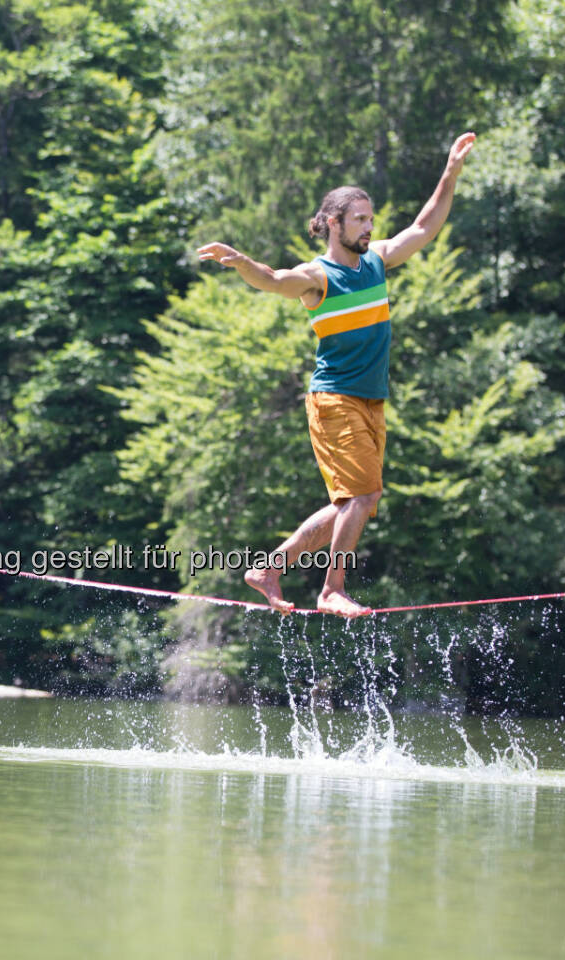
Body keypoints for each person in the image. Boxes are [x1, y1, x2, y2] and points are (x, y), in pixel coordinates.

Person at [197, 132, 476, 617]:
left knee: (357, 501)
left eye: (371, 219)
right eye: (360, 219)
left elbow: (425, 227)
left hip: (371, 400)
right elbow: (273, 279)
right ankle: (331, 589)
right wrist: (242, 263)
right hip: (334, 399)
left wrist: (449, 172)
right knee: (362, 496)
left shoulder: (378, 261)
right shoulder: (319, 276)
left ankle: (271, 567)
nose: (369, 227)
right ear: (332, 222)